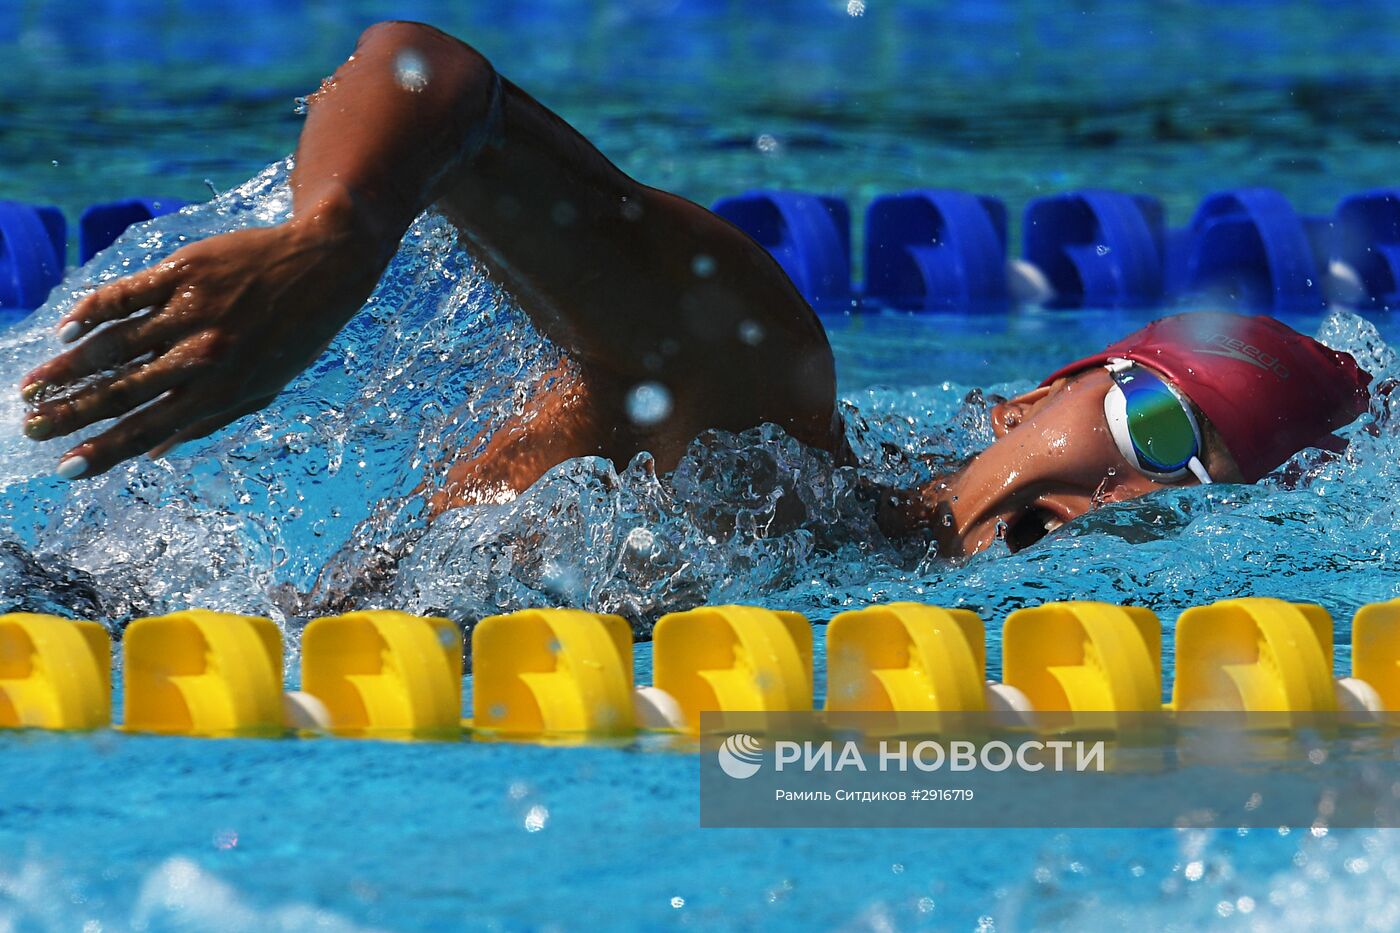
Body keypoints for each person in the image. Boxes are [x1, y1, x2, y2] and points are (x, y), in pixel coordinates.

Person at [15, 21, 1373, 562]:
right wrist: (335, 234)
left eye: (1195, 500)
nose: (1132, 497)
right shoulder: (766, 405)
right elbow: (432, 80)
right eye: (1155, 430)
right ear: (1042, 386)